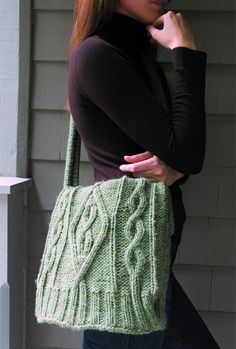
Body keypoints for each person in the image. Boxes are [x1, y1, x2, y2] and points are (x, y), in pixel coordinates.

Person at [67, 0, 221, 348]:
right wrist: (185, 51)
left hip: (144, 259)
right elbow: (186, 153)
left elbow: (179, 152)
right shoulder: (98, 55)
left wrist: (176, 166)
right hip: (122, 263)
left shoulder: (134, 52)